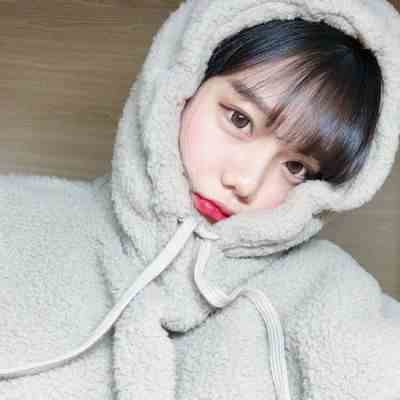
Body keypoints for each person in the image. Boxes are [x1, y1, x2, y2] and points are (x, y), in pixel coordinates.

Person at [0, 0, 399, 399]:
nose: (245, 182)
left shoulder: (334, 298)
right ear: (181, 85)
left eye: (296, 167)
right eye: (239, 119)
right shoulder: (14, 221)